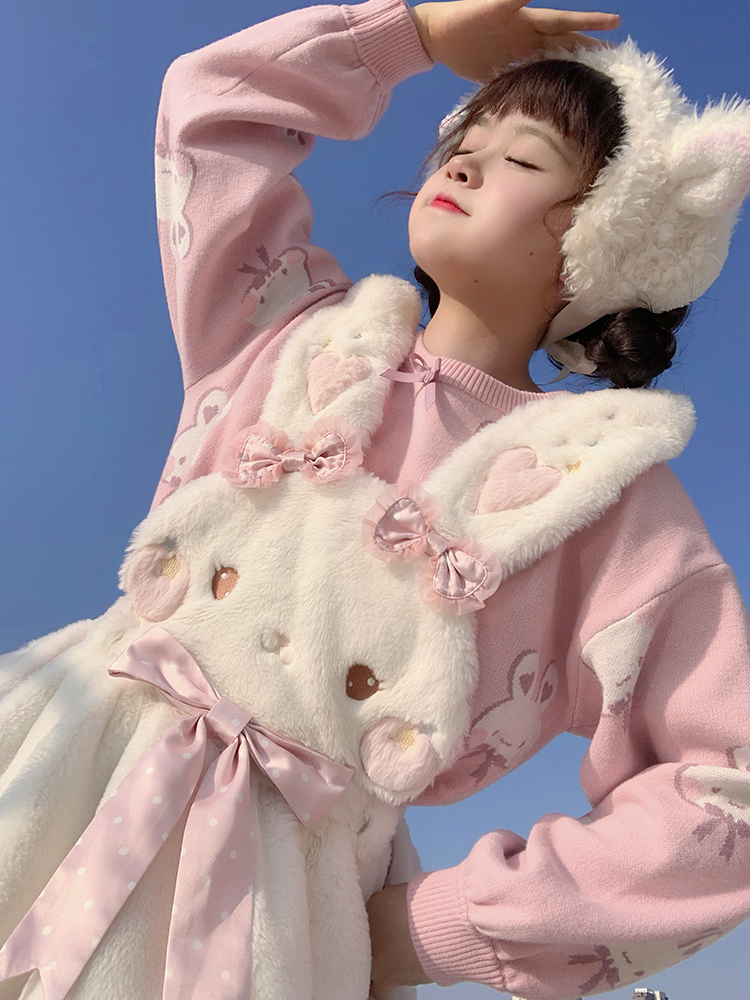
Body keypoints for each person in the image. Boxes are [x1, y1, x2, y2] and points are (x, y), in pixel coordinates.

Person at [1, 2, 749, 1000]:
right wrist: (411, 35)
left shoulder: (602, 499)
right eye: (465, 139)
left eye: (522, 158)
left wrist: (444, 928)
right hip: (49, 761)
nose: (465, 161)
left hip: (278, 908)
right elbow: (208, 109)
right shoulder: (279, 329)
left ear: (607, 238)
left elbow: (729, 794)